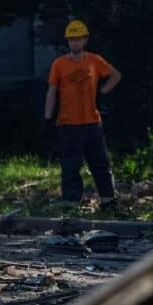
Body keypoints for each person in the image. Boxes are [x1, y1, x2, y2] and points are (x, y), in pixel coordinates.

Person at [44, 20, 121, 207]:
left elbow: (116, 75)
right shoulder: (59, 64)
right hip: (68, 123)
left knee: (100, 163)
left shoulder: (95, 61)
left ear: (85, 40)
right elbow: (52, 91)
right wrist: (47, 117)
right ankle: (71, 202)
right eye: (71, 40)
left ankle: (108, 200)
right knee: (70, 165)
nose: (74, 43)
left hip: (92, 122)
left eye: (77, 39)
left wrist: (103, 92)